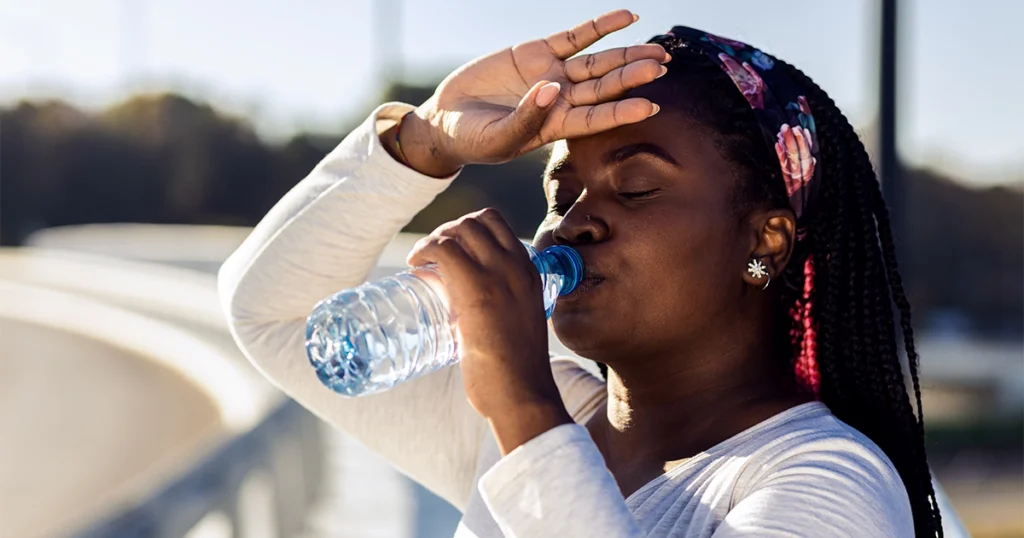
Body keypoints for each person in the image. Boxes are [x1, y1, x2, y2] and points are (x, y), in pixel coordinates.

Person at [218, 9, 943, 537]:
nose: (574, 223)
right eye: (560, 195)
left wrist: (525, 409)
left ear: (767, 243)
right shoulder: (557, 417)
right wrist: (428, 137)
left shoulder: (826, 484)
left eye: (636, 188)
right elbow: (276, 316)